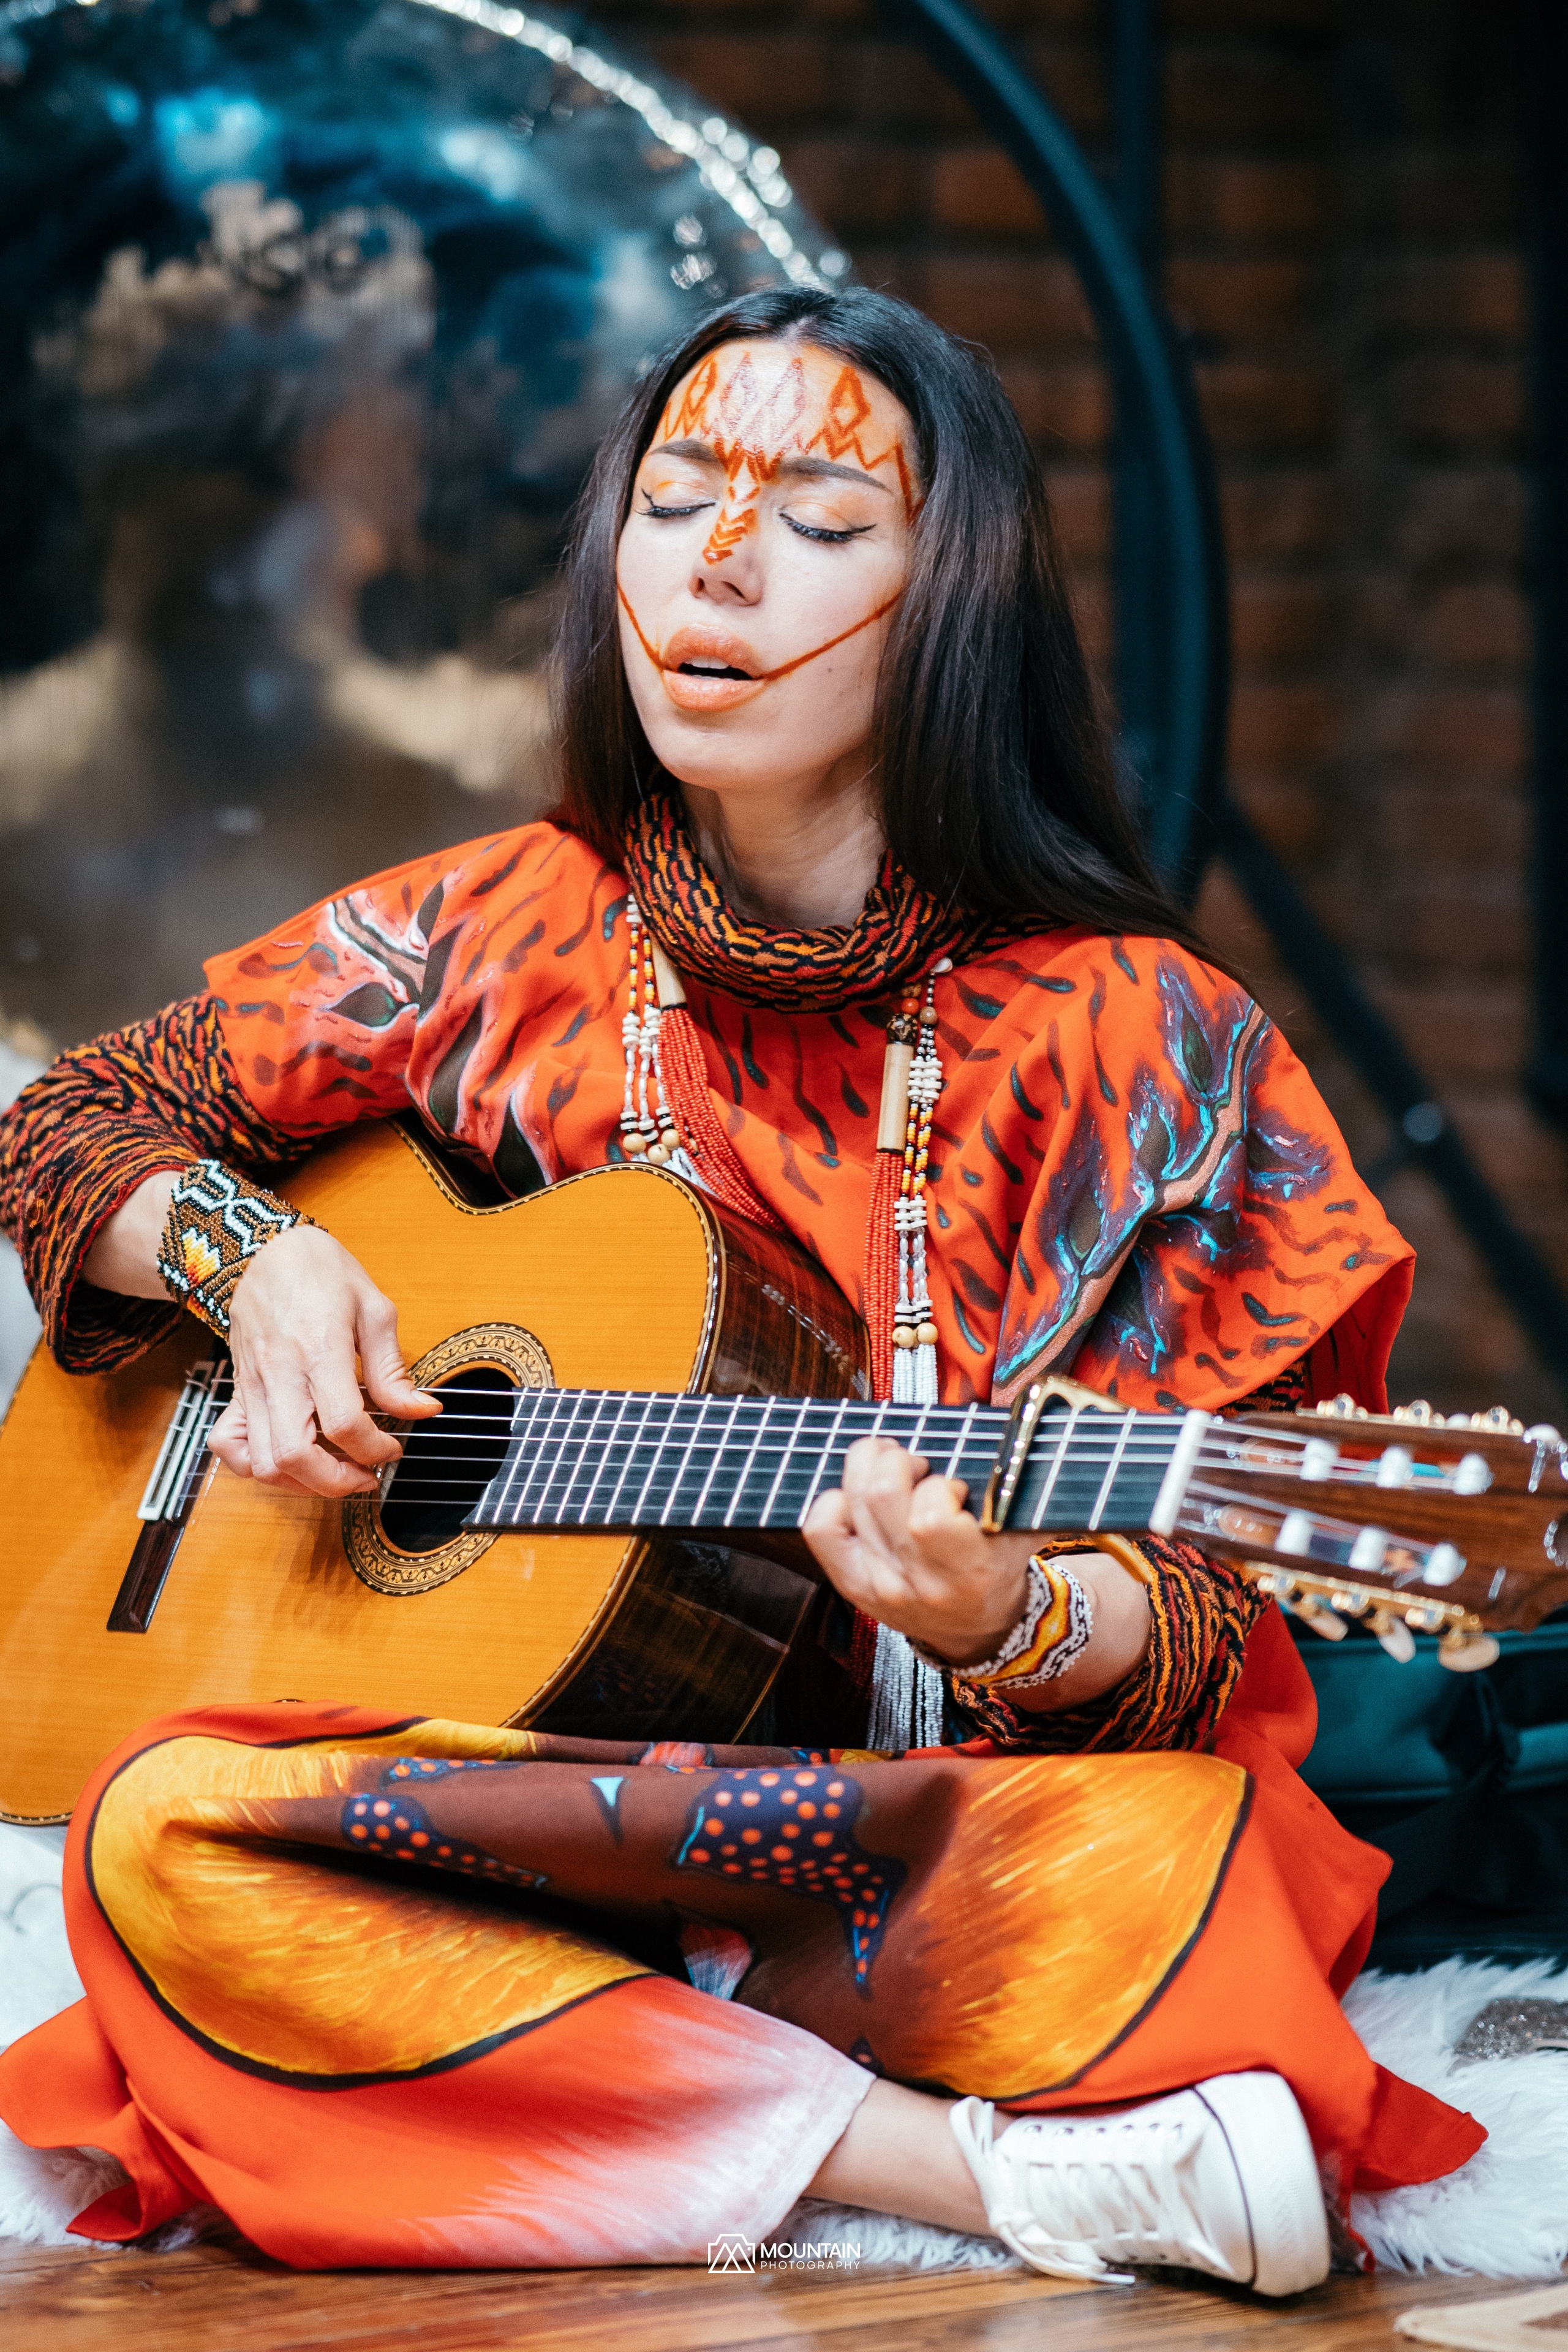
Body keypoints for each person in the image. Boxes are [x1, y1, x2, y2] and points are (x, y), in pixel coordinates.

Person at [0, 287, 1480, 2289]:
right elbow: (71, 1121)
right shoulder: (495, 929)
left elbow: (1207, 1608)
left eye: (818, 520)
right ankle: (980, 2179)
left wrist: (1016, 1612)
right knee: (161, 1836)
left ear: (952, 593)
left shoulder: (1153, 1046)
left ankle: (564, 2082)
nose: (718, 559)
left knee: (1185, 1880)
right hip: (526, 1819)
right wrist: (250, 1257)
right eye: (679, 493)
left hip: (913, 1832)